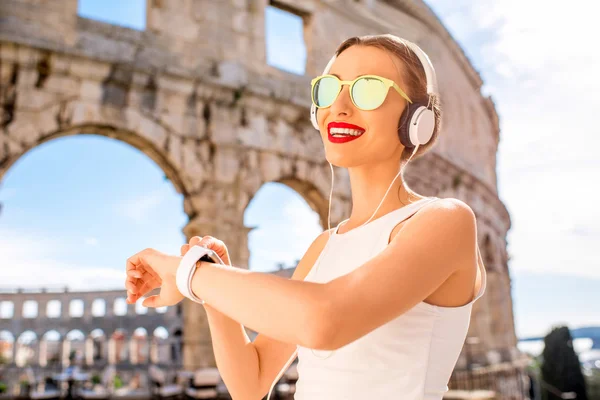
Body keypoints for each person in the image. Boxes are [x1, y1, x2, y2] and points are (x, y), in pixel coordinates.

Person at [124, 34, 487, 400]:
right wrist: (211, 285)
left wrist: (190, 273)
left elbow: (324, 321)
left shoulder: (445, 220)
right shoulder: (324, 246)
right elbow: (251, 383)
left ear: (416, 119)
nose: (339, 106)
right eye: (328, 89)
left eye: (368, 90)